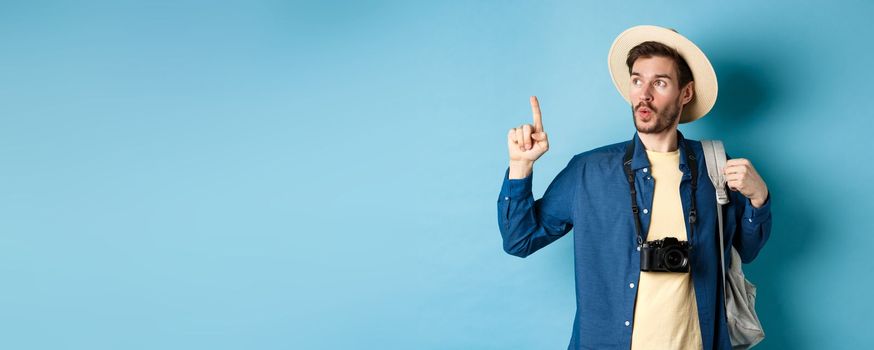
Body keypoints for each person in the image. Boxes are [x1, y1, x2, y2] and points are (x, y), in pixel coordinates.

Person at [496, 25, 772, 350]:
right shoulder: (589, 171)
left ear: (686, 93)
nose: (645, 94)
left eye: (660, 82)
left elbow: (746, 251)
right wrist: (521, 166)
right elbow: (519, 239)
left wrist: (758, 198)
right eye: (638, 80)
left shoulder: (715, 165)